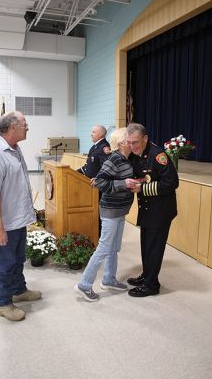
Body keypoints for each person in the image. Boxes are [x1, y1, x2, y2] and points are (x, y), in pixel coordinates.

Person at [0, 111, 41, 321]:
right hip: (5, 222)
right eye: (25, 124)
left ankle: (18, 290)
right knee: (4, 263)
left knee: (17, 259)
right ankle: (3, 303)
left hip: (17, 218)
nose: (27, 127)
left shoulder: (14, 149)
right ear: (12, 127)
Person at [74, 127, 134, 302]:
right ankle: (84, 285)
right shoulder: (113, 159)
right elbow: (99, 182)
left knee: (114, 248)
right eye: (129, 138)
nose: (132, 141)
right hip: (110, 210)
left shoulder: (127, 159)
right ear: (122, 142)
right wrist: (124, 184)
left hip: (121, 209)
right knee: (104, 248)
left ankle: (108, 279)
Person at [125, 123, 179, 297]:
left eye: (135, 142)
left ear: (145, 138)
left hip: (161, 210)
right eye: (129, 143)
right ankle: (147, 275)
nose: (132, 146)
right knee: (146, 245)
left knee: (154, 248)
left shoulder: (158, 155)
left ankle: (151, 285)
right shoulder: (137, 154)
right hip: (148, 209)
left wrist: (142, 189)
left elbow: (172, 182)